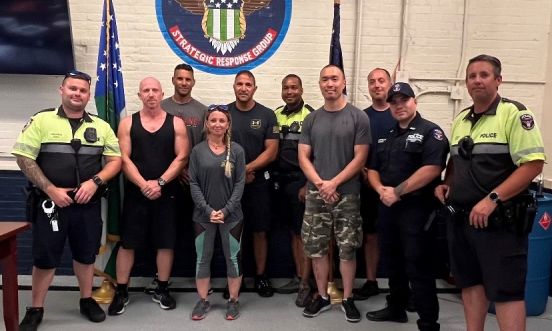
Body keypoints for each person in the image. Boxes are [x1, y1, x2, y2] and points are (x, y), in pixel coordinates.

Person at [435, 54, 546, 331]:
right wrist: (447, 182)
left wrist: (492, 199)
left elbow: (533, 164)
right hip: (463, 221)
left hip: (499, 223)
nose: (477, 80)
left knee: (507, 292)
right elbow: (455, 161)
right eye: (472, 76)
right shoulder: (461, 119)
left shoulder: (515, 114)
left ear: (498, 80)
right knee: (471, 284)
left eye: (484, 75)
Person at [13, 70, 122, 330]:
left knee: (85, 256)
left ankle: (86, 300)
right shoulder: (41, 120)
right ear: (61, 90)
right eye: (72, 88)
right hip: (51, 204)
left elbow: (115, 160)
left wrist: (95, 182)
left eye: (83, 90)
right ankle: (36, 307)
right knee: (45, 257)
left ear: (88, 96)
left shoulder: (101, 126)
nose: (77, 94)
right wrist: (50, 189)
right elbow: (23, 157)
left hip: (87, 203)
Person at [365, 82, 448, 331]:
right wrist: (381, 190)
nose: (399, 105)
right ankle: (396, 308)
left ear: (415, 101)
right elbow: (373, 170)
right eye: (394, 102)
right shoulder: (387, 136)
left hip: (417, 209)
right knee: (393, 261)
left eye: (404, 100)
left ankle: (428, 321)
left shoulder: (430, 132)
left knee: (418, 264)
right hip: (388, 208)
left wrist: (398, 192)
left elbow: (433, 168)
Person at [108, 77, 188, 315]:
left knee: (166, 242)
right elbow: (124, 159)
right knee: (128, 243)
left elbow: (182, 157)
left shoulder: (177, 124)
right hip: (136, 193)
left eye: (155, 90)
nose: (151, 94)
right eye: (146, 90)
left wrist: (160, 182)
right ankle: (122, 290)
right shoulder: (127, 124)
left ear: (162, 93)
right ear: (139, 94)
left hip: (167, 193)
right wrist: (144, 184)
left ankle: (162, 288)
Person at [298, 64, 370, 323]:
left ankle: (348, 298)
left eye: (334, 79)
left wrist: (334, 183)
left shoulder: (359, 117)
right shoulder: (311, 119)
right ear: (320, 84)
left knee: (347, 249)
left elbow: (360, 157)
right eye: (325, 79)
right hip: (317, 195)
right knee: (316, 249)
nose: (330, 83)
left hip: (347, 194)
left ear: (343, 83)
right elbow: (303, 157)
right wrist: (321, 184)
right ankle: (322, 295)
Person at [142, 63, 207, 294]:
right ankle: (161, 278)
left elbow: (205, 147)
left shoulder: (202, 111)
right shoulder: (161, 107)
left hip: (193, 181)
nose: (184, 82)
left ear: (193, 82)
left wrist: (192, 172)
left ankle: (201, 280)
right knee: (162, 231)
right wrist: (175, 171)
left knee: (196, 231)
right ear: (173, 80)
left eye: (188, 79)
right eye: (180, 78)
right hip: (165, 181)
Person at [188, 104, 246, 321]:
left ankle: (233, 300)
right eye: (213, 120)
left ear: (228, 124)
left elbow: (240, 183)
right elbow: (193, 182)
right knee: (203, 258)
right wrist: (208, 210)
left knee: (233, 258)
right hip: (203, 217)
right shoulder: (197, 151)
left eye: (222, 120)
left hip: (232, 216)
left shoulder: (237, 151)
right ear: (206, 123)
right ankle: (203, 300)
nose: (217, 124)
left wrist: (226, 209)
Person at [227, 70, 279, 297]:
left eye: (248, 84)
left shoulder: (267, 115)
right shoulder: (224, 113)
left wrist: (249, 168)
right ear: (234, 87)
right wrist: (238, 174)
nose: (244, 88)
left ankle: (261, 277)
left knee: (259, 231)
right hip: (229, 184)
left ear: (254, 88)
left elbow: (272, 151)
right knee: (233, 232)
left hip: (258, 183)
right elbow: (217, 147)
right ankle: (234, 281)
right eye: (240, 84)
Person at [272, 74, 314, 307]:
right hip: (281, 183)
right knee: (292, 233)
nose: (290, 92)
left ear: (301, 89)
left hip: (301, 183)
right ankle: (298, 277)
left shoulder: (312, 115)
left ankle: (306, 284)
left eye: (294, 87)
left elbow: (316, 155)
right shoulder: (276, 114)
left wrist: (309, 184)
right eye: (286, 88)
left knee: (303, 235)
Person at [354, 67, 395, 301]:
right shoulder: (362, 117)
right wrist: (364, 172)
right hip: (367, 187)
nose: (377, 85)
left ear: (389, 84)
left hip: (397, 189)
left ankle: (404, 286)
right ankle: (371, 281)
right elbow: (354, 150)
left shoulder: (399, 113)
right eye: (372, 82)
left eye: (381, 81)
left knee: (400, 237)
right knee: (370, 236)